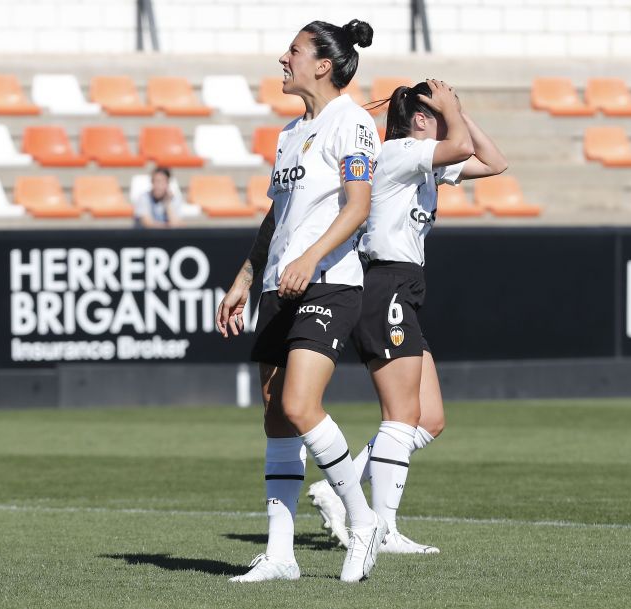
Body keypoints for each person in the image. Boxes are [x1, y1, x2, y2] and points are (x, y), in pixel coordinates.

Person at [216, 19, 386, 583]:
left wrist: (311, 258)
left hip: (330, 280)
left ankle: (362, 522)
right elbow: (277, 217)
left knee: (299, 404)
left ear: (323, 64)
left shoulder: (353, 122)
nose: (282, 59)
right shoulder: (290, 133)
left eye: (293, 51)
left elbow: (358, 205)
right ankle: (281, 555)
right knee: (275, 413)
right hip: (278, 285)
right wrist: (245, 277)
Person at [307, 79, 508, 554]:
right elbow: (462, 147)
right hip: (385, 283)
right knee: (400, 415)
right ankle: (384, 528)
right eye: (439, 114)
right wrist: (451, 112)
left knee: (428, 419)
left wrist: (457, 110)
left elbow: (495, 163)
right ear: (421, 120)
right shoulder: (400, 152)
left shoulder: (423, 161)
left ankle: (340, 488)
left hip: (403, 287)